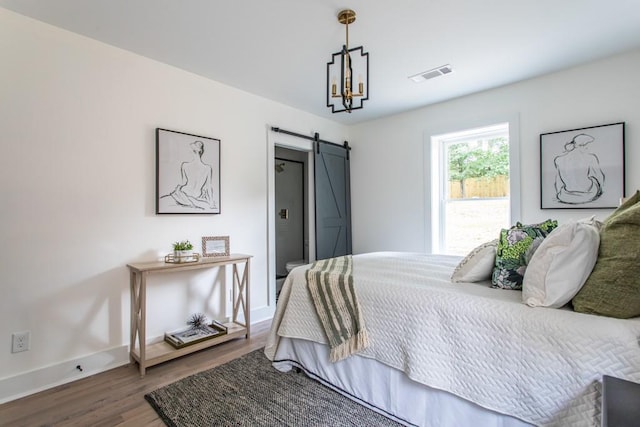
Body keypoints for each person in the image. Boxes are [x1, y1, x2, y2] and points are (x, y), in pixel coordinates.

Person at [163, 140, 216, 210]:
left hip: (184, 193)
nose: (189, 152)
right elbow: (209, 186)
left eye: (190, 150)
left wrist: (177, 187)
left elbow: (183, 182)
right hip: (197, 195)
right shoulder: (208, 168)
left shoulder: (185, 165)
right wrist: (211, 203)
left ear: (193, 151)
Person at [553, 133, 605, 204]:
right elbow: (599, 176)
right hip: (587, 194)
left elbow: (558, 181)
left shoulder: (558, 159)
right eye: (589, 146)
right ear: (583, 146)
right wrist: (600, 190)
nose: (589, 149)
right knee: (593, 178)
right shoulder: (591, 157)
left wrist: (559, 194)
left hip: (565, 195)